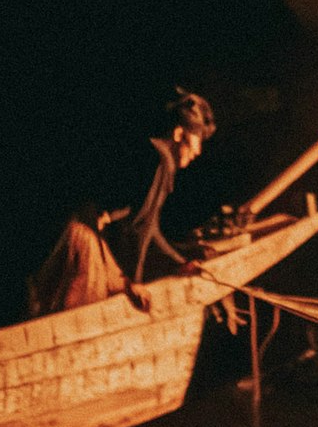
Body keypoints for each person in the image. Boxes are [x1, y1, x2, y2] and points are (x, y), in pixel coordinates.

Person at [27, 88, 215, 314]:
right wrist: (132, 281)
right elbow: (137, 229)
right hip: (86, 241)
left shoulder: (155, 156)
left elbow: (150, 228)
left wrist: (179, 260)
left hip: (83, 236)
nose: (198, 151)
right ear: (178, 134)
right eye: (196, 141)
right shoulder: (161, 160)